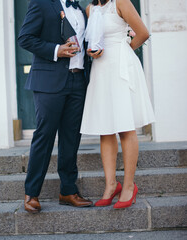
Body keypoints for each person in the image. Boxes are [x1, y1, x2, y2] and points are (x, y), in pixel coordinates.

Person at [18, 0, 93, 213]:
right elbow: (25, 38)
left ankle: (68, 190)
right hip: (49, 81)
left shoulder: (80, 8)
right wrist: (56, 50)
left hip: (78, 81)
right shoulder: (41, 3)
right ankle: (31, 193)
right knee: (45, 136)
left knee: (71, 137)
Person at [80, 0, 155, 209]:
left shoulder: (121, 2)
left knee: (125, 126)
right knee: (106, 129)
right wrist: (92, 50)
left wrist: (124, 49)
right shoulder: (90, 9)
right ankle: (111, 185)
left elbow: (142, 33)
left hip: (122, 66)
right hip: (101, 69)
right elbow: (93, 37)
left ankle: (129, 186)